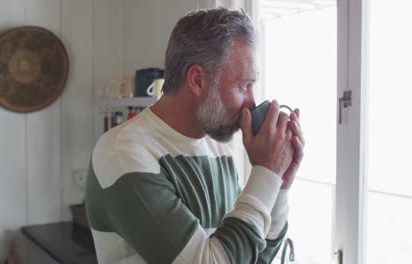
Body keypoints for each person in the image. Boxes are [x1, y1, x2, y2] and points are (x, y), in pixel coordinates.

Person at [85, 7, 305, 264]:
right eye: (244, 85)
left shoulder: (217, 149)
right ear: (198, 79)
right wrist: (265, 173)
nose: (251, 103)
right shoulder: (124, 153)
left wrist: (278, 186)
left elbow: (250, 258)